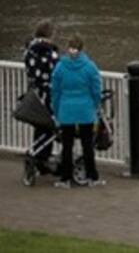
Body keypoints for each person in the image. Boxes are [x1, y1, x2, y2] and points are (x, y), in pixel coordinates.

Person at [50, 34, 104, 188]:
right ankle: (92, 177)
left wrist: (57, 109)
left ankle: (65, 178)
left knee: (67, 145)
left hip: (66, 109)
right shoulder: (89, 66)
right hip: (85, 109)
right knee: (87, 144)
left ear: (68, 49)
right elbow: (96, 89)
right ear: (82, 48)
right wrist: (95, 104)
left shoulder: (60, 66)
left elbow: (55, 91)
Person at [22, 20, 59, 172]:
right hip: (47, 94)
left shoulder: (29, 51)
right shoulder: (50, 53)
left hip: (34, 93)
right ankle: (41, 158)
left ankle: (37, 155)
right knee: (49, 127)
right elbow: (56, 73)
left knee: (39, 126)